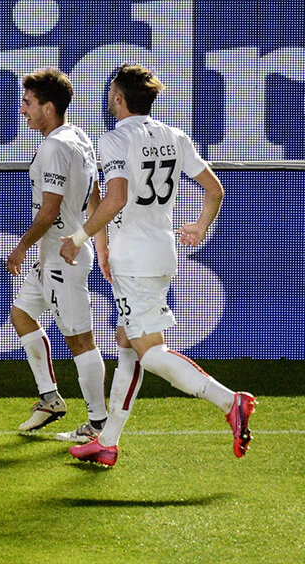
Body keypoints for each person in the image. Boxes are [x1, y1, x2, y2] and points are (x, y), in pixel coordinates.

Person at [60, 63, 256, 466]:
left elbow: (114, 199)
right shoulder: (174, 135)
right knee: (127, 344)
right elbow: (214, 190)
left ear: (118, 98)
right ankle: (107, 441)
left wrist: (79, 239)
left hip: (134, 257)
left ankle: (230, 401)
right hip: (162, 252)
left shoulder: (114, 140)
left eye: (111, 91)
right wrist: (200, 227)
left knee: (150, 351)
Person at [7, 68, 109, 443]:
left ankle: (98, 424)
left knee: (80, 339)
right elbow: (96, 192)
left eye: (28, 103)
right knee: (21, 314)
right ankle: (50, 398)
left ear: (48, 107)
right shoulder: (79, 137)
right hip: (60, 253)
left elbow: (49, 210)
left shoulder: (54, 146)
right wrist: (98, 243)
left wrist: (20, 247)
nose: (23, 110)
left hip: (60, 258)